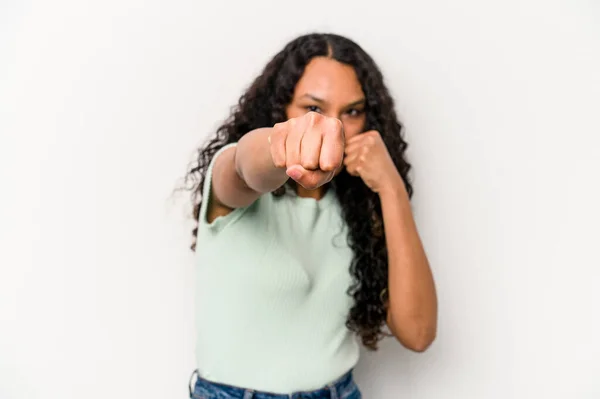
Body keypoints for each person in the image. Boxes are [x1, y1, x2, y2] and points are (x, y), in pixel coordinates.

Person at [182, 33, 437, 399]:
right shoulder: (235, 183)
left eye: (351, 112)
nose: (331, 128)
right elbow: (244, 165)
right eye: (313, 109)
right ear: (280, 109)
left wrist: (391, 188)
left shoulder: (358, 208)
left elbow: (418, 332)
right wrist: (282, 146)